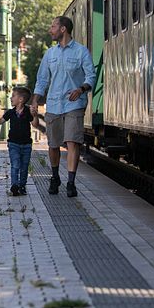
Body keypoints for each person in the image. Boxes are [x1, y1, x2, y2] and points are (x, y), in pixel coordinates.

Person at [30, 16, 95, 197]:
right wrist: (35, 100)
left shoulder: (81, 52)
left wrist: (81, 89)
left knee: (72, 141)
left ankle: (71, 183)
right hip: (53, 104)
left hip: (74, 104)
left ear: (63, 29)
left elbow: (91, 77)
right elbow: (42, 80)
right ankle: (55, 176)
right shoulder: (50, 54)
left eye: (53, 26)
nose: (51, 30)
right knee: (53, 144)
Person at [0, 86, 39, 196]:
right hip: (13, 143)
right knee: (15, 164)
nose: (11, 98)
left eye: (13, 96)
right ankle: (14, 185)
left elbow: (35, 124)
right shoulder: (10, 112)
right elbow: (0, 121)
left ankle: (22, 185)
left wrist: (35, 115)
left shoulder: (28, 111)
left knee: (24, 166)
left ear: (21, 99)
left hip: (26, 144)